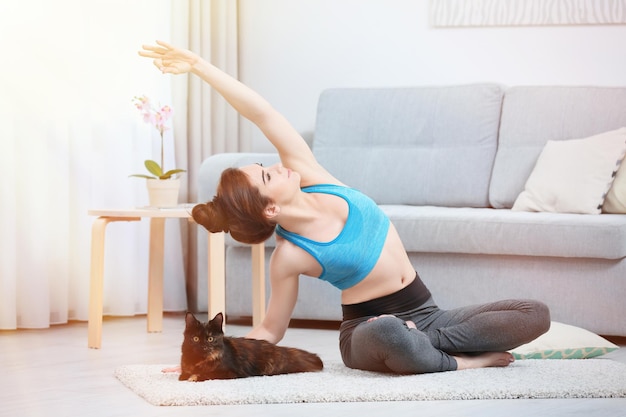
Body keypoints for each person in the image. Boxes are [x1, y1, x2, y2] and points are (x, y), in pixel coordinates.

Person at [140, 41, 551, 374]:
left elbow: (262, 113)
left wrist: (198, 66)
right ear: (269, 211)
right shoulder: (290, 255)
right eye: (267, 177)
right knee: (390, 332)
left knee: (534, 314)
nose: (278, 167)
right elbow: (270, 329)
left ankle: (430, 351)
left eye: (265, 166)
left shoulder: (312, 174)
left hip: (427, 315)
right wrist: (205, 357)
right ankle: (464, 361)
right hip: (367, 332)